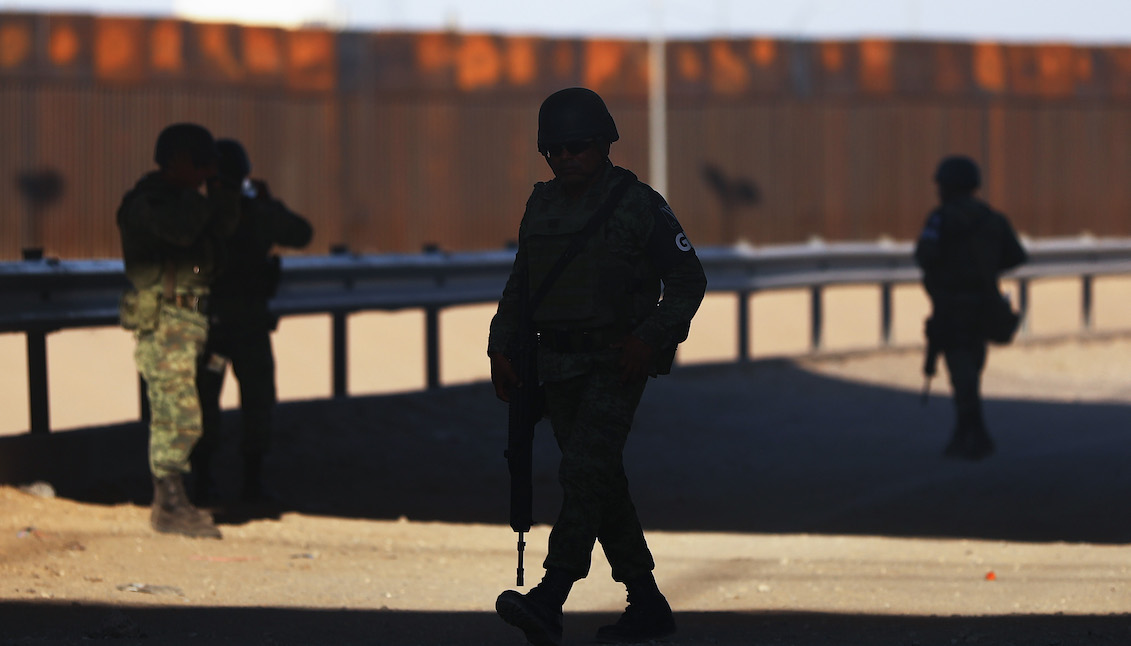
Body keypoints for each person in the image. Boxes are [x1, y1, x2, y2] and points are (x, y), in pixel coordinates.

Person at [488, 87, 707, 645]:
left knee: (584, 472)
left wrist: (650, 339)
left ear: (604, 143)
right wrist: (501, 346)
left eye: (577, 147)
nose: (565, 159)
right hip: (555, 364)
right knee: (601, 482)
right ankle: (647, 602)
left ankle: (550, 595)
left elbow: (687, 280)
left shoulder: (638, 203)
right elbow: (523, 283)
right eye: (553, 151)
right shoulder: (542, 204)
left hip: (616, 362)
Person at [116, 123, 240, 538]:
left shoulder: (192, 200)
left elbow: (225, 230)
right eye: (200, 161)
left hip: (192, 318)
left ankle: (177, 498)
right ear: (176, 160)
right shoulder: (149, 202)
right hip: (167, 319)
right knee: (176, 412)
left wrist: (222, 187)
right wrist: (208, 195)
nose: (206, 171)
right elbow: (184, 231)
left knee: (190, 411)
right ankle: (169, 504)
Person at [192, 138, 313, 504]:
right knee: (256, 403)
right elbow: (301, 233)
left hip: (210, 324)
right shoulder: (255, 210)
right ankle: (251, 483)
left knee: (204, 403)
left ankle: (203, 482)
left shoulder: (198, 210)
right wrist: (267, 202)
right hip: (246, 325)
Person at [915, 155, 1027, 460]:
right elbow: (1017, 256)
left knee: (960, 370)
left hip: (952, 305)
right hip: (984, 303)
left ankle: (972, 433)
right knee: (972, 366)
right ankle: (969, 432)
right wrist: (985, 267)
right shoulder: (993, 219)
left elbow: (924, 255)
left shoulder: (941, 218)